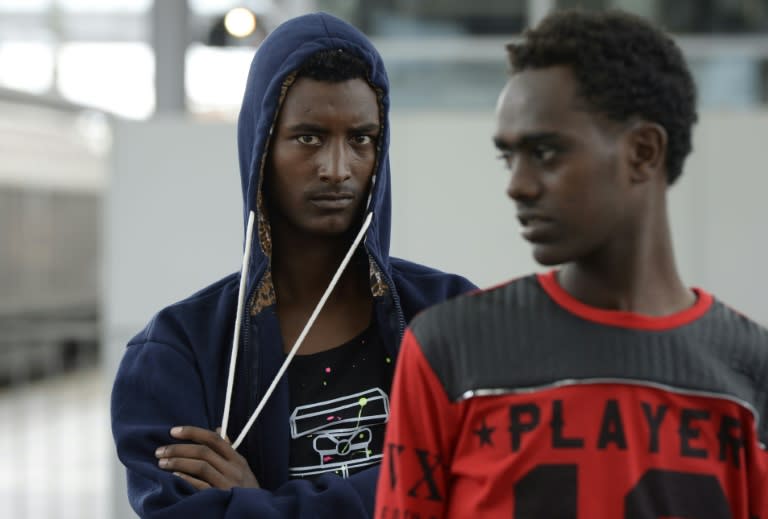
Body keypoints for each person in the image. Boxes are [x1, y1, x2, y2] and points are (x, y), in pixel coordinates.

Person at [375, 9, 768, 518]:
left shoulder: (752, 373)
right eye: (508, 157)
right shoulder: (449, 349)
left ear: (643, 152)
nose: (517, 184)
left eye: (546, 152)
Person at [111, 12, 475, 518]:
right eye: (308, 138)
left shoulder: (453, 317)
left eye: (361, 139)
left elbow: (486, 487)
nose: (337, 168)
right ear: (261, 148)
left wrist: (256, 506)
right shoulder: (176, 354)